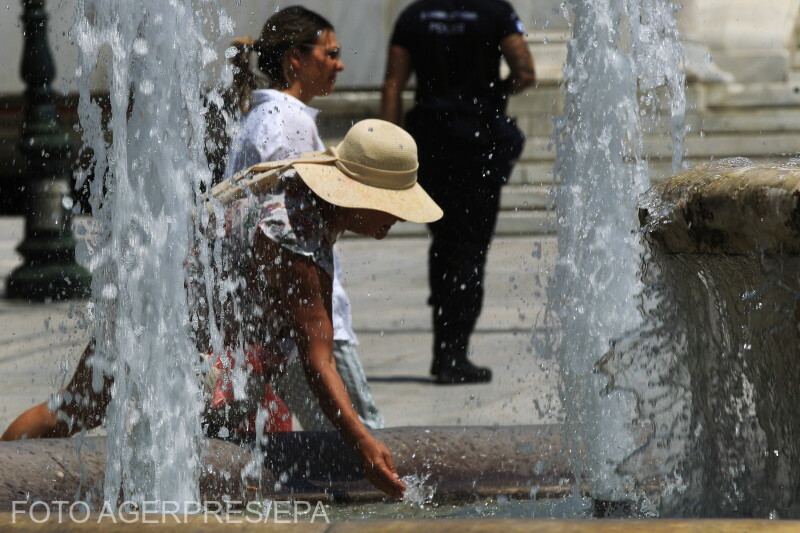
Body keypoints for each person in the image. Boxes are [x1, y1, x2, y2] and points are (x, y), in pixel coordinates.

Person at [2, 118, 442, 499]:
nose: (398, 217)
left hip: (159, 307)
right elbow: (317, 358)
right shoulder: (296, 235)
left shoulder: (305, 197)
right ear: (357, 192)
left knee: (75, 409)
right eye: (391, 205)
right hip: (163, 321)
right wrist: (361, 439)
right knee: (81, 411)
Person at [221, 6, 384, 431]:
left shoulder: (266, 117)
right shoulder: (286, 122)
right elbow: (283, 226)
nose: (340, 64)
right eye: (330, 54)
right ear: (296, 57)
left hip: (279, 319)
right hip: (302, 318)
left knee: (324, 444)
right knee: (361, 436)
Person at [381, 0, 535, 384]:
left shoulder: (414, 15)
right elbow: (526, 71)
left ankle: (444, 351)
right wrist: (495, 92)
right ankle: (453, 354)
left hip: (430, 139)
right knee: (469, 248)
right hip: (478, 138)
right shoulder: (494, 11)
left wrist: (386, 146)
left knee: (444, 241)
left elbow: (393, 85)